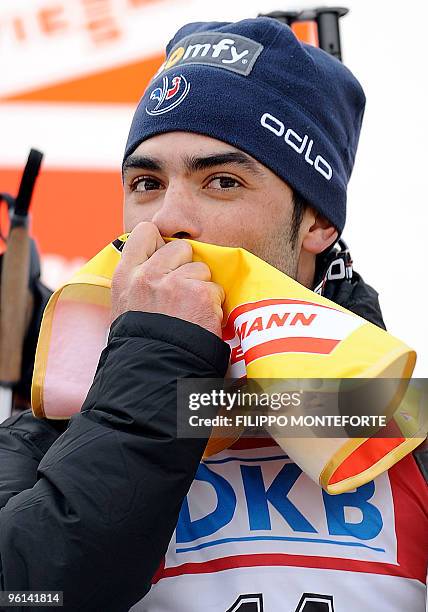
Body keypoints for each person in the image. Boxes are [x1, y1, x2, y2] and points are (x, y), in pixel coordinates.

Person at [0, 17, 427, 612]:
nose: (170, 218)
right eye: (146, 183)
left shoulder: (403, 420)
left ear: (318, 223)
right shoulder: (41, 437)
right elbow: (26, 593)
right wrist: (155, 361)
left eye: (222, 181)